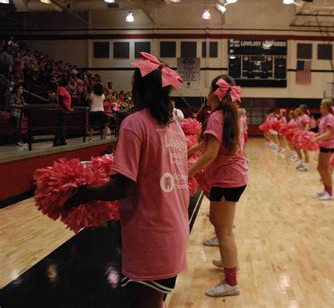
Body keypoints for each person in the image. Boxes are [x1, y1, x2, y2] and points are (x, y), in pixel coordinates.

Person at [66, 52, 189, 308]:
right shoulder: (174, 127)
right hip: (174, 230)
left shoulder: (134, 124)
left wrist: (82, 193)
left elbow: (122, 187)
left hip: (152, 236)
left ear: (139, 90)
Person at [188, 74, 248, 297]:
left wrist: (185, 174)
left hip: (227, 177)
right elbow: (207, 144)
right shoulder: (230, 114)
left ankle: (231, 283)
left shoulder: (216, 116)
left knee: (223, 230)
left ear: (215, 93)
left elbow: (211, 153)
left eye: (208, 90)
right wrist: (185, 154)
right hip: (233, 176)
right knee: (219, 223)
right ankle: (228, 259)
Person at [314, 98, 334, 200]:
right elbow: (321, 132)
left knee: (326, 169)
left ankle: (330, 193)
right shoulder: (324, 117)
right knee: (320, 168)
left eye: (322, 105)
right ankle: (325, 189)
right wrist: (311, 136)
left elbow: (328, 133)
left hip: (329, 146)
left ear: (327, 107)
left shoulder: (330, 117)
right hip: (323, 145)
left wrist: (315, 139)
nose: (320, 107)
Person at [53, 82, 72, 147]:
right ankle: (58, 141)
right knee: (60, 126)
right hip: (62, 111)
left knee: (62, 126)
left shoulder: (64, 89)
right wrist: (66, 108)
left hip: (64, 110)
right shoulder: (61, 89)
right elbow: (61, 100)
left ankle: (62, 140)